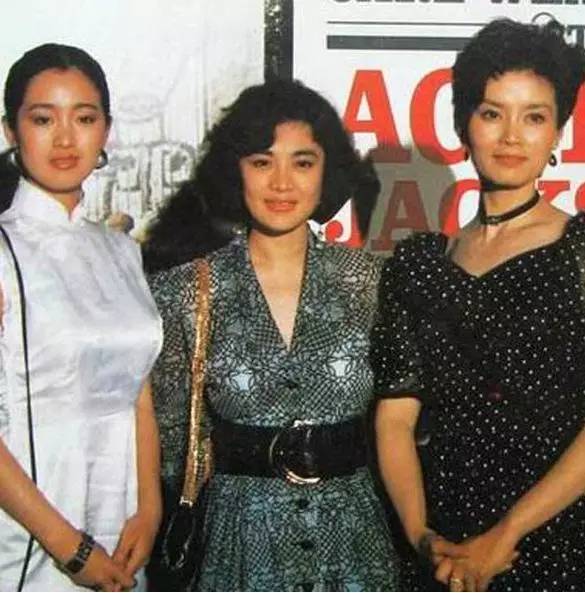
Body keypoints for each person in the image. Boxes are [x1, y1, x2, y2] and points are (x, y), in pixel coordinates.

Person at [144, 79, 400, 591]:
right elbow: (171, 449)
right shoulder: (186, 292)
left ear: (327, 171)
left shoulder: (370, 282)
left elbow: (398, 427)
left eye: (302, 163)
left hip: (354, 548)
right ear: (234, 169)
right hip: (239, 550)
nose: (282, 183)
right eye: (262, 162)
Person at [372, 17, 585, 592]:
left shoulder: (580, 251)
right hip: (442, 550)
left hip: (555, 543)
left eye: (534, 117)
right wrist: (422, 536)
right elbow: (395, 418)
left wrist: (504, 536)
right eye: (492, 113)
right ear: (463, 124)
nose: (511, 136)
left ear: (558, 133)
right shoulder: (419, 264)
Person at [0, 44, 162, 591]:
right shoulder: (3, 251)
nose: (66, 139)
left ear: (106, 131)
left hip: (122, 529)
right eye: (43, 119)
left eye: (85, 119)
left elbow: (138, 393)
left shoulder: (122, 250)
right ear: (11, 130)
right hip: (30, 533)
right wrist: (69, 547)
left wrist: (149, 508)